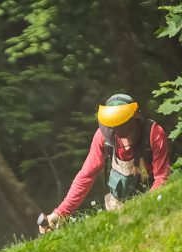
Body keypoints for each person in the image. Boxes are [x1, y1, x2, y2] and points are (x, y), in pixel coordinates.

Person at [39, 93, 170, 233]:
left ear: (134, 117)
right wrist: (60, 213)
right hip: (116, 207)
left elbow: (162, 177)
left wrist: (143, 207)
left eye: (120, 123)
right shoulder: (103, 137)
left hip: (149, 200)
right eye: (111, 124)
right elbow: (85, 176)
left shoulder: (153, 134)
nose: (115, 129)